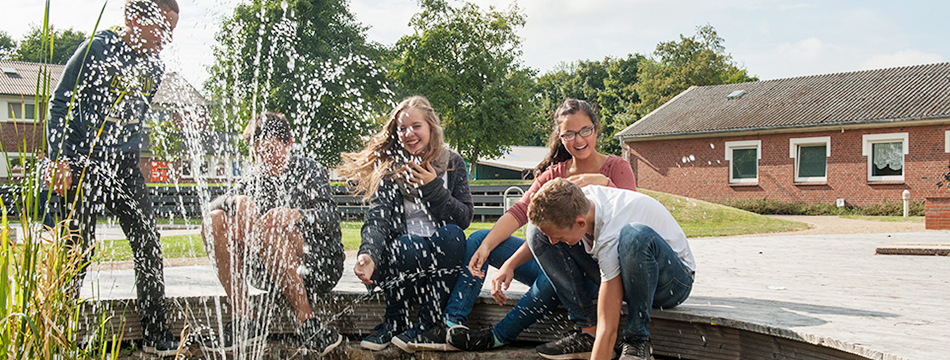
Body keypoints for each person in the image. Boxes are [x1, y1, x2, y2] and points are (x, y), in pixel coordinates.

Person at [407, 99, 637, 353]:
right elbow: (519, 213)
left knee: (551, 278)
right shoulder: (554, 174)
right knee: (480, 240)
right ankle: (452, 324)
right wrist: (494, 253)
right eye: (569, 134)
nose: (579, 139)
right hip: (558, 265)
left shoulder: (616, 167)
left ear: (595, 128)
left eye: (585, 130)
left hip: (597, 272)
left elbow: (630, 220)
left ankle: (497, 336)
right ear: (560, 137)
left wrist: (604, 183)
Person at [43, 0, 180, 356]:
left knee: (148, 241)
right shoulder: (96, 48)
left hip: (124, 165)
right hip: (82, 162)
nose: (166, 39)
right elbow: (59, 103)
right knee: (77, 249)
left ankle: (155, 332)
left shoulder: (155, 64)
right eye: (162, 29)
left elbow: (135, 117)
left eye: (172, 32)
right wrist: (58, 158)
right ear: (134, 18)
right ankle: (56, 331)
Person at [337, 95, 473, 353]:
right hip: (402, 263)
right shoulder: (390, 167)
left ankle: (429, 323)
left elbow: (464, 218)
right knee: (408, 244)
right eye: (402, 128)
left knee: (452, 234)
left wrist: (433, 188)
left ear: (431, 127)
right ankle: (395, 320)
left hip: (442, 267)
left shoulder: (452, 163)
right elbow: (378, 218)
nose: (409, 134)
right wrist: (368, 253)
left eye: (416, 126)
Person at [201, 112, 344, 355]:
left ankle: (307, 322)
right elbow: (212, 205)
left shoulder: (310, 170)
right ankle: (245, 319)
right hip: (269, 271)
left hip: (319, 267)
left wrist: (295, 215)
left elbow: (330, 217)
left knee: (271, 227)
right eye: (258, 153)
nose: (264, 159)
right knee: (214, 220)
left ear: (289, 144)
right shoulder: (254, 177)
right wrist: (236, 200)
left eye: (270, 150)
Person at [526, 178, 696, 360]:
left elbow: (608, 328)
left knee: (634, 235)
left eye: (558, 237)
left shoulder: (611, 232)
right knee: (537, 234)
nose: (553, 242)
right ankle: (587, 330)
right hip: (633, 274)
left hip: (672, 284)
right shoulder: (579, 201)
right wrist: (510, 265)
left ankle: (637, 340)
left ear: (581, 223)